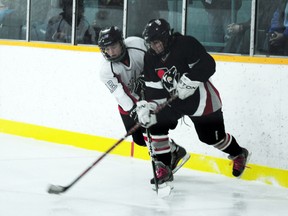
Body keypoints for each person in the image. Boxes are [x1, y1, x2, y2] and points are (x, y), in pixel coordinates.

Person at [137, 18, 250, 186]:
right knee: (154, 122)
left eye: (157, 42)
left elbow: (208, 64)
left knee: (211, 138)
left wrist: (191, 79)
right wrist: (149, 107)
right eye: (151, 43)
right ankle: (164, 167)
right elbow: (154, 90)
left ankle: (238, 153)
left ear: (167, 36)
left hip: (201, 102)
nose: (155, 46)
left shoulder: (185, 44)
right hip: (173, 102)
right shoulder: (150, 58)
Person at [97, 26, 190, 187]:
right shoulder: (106, 69)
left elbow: (155, 60)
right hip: (129, 103)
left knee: (151, 132)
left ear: (121, 42)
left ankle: (163, 167)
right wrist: (133, 109)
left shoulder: (137, 44)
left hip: (151, 95)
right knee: (139, 139)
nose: (110, 52)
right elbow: (119, 94)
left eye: (113, 46)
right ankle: (174, 150)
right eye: (107, 48)